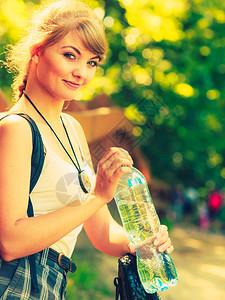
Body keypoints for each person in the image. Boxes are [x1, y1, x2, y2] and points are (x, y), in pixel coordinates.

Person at [0, 0, 174, 299]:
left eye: (92, 62)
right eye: (70, 55)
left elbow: (102, 233)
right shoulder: (16, 128)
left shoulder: (72, 130)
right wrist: (98, 196)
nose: (82, 72)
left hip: (52, 285)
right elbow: (10, 241)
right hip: (17, 282)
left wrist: (144, 244)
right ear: (37, 51)